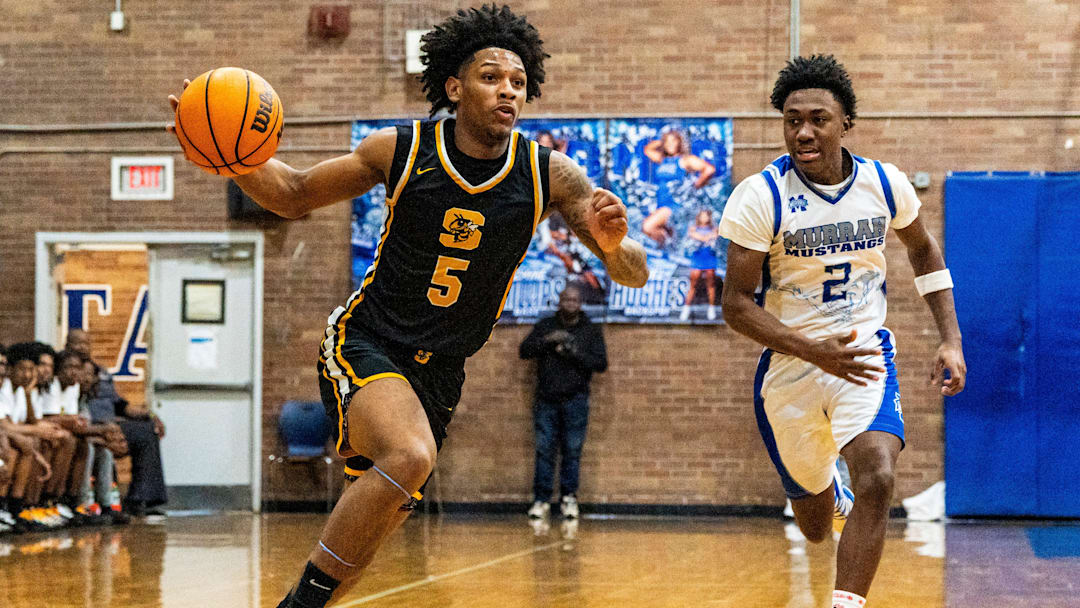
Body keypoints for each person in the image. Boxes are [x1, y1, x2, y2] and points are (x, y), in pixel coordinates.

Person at [168, 6, 647, 606]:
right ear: (454, 86)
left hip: (443, 370)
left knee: (375, 529)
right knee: (411, 454)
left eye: (519, 83)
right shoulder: (399, 148)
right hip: (368, 339)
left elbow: (633, 273)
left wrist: (613, 244)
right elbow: (292, 194)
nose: (508, 91)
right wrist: (230, 154)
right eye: (492, 77)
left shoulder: (550, 174)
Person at [719, 55, 966, 608]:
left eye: (818, 119)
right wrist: (811, 350)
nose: (804, 131)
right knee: (812, 525)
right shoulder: (761, 196)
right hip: (790, 365)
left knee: (878, 473)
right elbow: (735, 305)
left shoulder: (884, 182)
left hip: (861, 352)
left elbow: (923, 249)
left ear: (844, 123)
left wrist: (950, 338)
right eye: (792, 120)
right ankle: (826, 492)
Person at [519, 285, 607, 521]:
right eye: (566, 298)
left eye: (575, 299)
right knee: (544, 450)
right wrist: (548, 341)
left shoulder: (590, 330)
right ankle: (541, 500)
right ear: (560, 301)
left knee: (572, 452)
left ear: (580, 303)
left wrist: (573, 350)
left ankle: (569, 498)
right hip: (546, 399)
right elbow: (524, 351)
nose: (570, 303)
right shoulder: (546, 326)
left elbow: (601, 364)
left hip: (576, 399)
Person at [66, 329, 167, 516]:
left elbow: (121, 405)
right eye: (77, 343)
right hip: (91, 425)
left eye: (86, 343)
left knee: (147, 429)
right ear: (67, 344)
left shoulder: (102, 372)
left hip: (113, 423)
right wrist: (102, 429)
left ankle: (141, 498)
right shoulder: (67, 371)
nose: (82, 347)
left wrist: (152, 415)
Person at [641, 129, 715, 247]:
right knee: (666, 231)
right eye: (667, 141)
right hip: (661, 203)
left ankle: (667, 244)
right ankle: (670, 249)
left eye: (673, 140)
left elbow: (709, 169)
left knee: (647, 226)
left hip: (674, 204)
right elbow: (647, 149)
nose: (670, 144)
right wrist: (663, 141)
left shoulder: (685, 160)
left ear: (679, 142)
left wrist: (697, 185)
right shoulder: (662, 159)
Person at [680, 208, 720, 321]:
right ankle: (686, 309)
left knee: (710, 284)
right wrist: (705, 238)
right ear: (699, 217)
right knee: (693, 284)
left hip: (709, 258)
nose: (704, 218)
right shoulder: (693, 228)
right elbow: (694, 235)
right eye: (702, 216)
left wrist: (705, 237)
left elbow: (715, 235)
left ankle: (711, 309)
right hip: (697, 258)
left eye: (706, 216)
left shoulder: (714, 228)